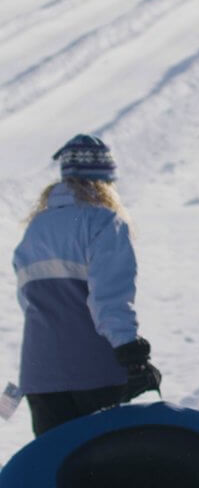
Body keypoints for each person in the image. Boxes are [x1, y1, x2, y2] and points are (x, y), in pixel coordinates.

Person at [13, 134, 161, 437]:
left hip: (39, 373)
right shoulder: (104, 221)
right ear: (105, 182)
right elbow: (109, 298)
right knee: (104, 467)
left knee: (57, 469)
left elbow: (28, 302)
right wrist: (131, 352)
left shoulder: (35, 228)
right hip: (93, 370)